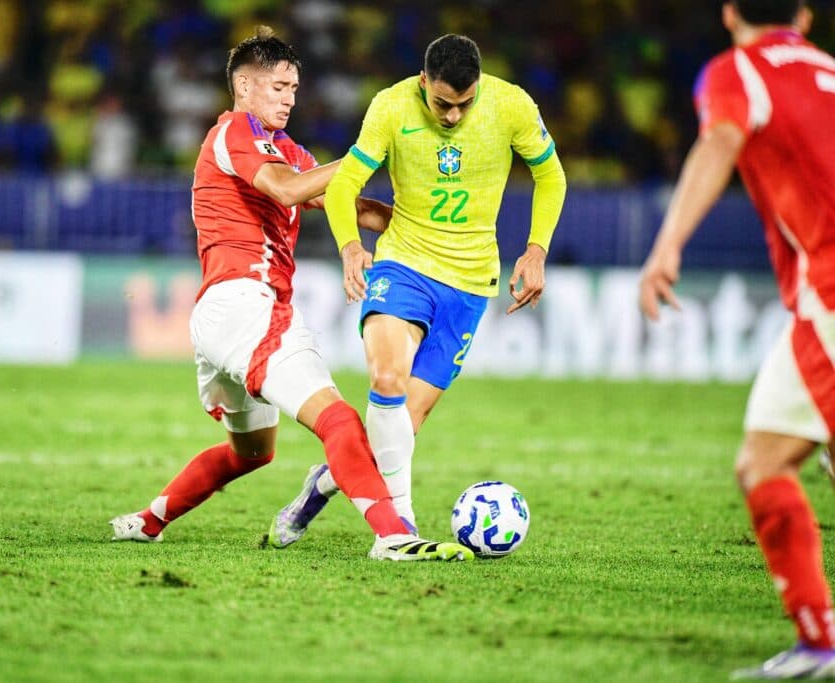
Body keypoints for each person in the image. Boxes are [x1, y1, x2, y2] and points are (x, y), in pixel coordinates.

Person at [109, 27, 473, 562]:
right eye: (279, 86)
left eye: (295, 87)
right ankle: (393, 536)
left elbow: (350, 202)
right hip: (245, 305)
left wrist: (421, 228)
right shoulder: (233, 131)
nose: (289, 97)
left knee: (251, 453)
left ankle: (147, 522)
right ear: (244, 87)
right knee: (340, 419)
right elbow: (283, 190)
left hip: (225, 316)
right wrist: (365, 155)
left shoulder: (288, 151)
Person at [267, 34, 566, 547]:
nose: (453, 116)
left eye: (464, 105)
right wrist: (349, 248)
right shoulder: (390, 106)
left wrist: (536, 249)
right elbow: (342, 185)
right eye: (443, 104)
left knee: (401, 427)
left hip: (471, 284)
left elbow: (551, 176)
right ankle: (399, 527)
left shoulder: (511, 104)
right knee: (387, 378)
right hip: (403, 265)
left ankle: (322, 483)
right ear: (424, 82)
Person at [638, 1, 835, 678]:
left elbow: (720, 141)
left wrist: (667, 246)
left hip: (831, 289)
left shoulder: (737, 71)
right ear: (804, 16)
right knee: (763, 462)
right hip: (815, 302)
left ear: (728, 13)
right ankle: (818, 642)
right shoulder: (829, 70)